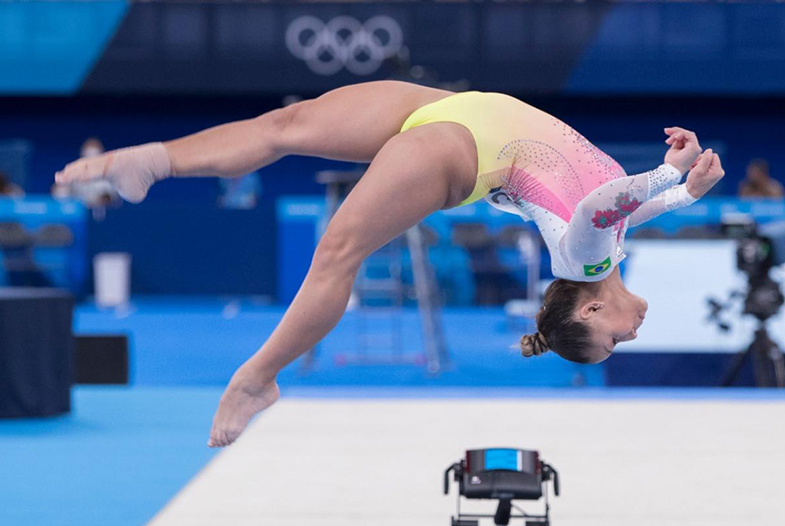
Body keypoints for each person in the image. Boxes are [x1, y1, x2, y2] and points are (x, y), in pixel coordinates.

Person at [54, 81, 725, 447]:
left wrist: (659, 174)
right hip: (454, 109)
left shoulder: (582, 257)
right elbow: (619, 214)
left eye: (611, 340)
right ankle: (151, 161)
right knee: (284, 127)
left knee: (337, 252)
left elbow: (602, 207)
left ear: (589, 310)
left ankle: (259, 376)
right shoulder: (605, 252)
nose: (630, 334)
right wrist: (684, 190)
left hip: (462, 147)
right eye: (620, 344)